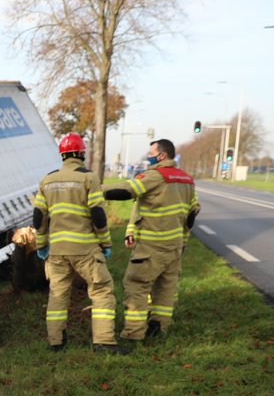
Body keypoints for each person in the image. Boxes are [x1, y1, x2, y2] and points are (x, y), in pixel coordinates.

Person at [33, 133, 122, 354]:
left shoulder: (47, 180)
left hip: (57, 251)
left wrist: (41, 245)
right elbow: (98, 214)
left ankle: (56, 342)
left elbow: (39, 217)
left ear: (62, 155)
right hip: (85, 249)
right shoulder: (88, 178)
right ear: (82, 153)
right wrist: (105, 243)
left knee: (57, 294)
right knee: (101, 291)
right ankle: (103, 342)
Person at [103, 139, 199, 342]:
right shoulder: (186, 180)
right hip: (174, 247)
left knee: (136, 285)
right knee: (166, 289)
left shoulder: (156, 176)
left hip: (151, 246)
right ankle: (158, 327)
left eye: (151, 152)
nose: (148, 156)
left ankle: (134, 333)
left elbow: (127, 190)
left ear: (162, 155)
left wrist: (95, 190)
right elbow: (193, 212)